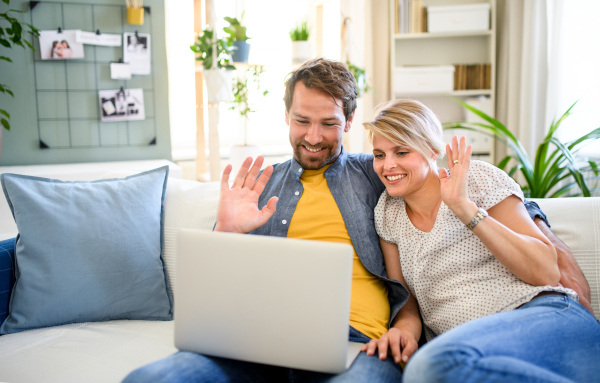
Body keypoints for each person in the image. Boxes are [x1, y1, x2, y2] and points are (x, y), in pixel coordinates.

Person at [122, 58, 592, 383]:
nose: (313, 136)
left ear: (348, 121)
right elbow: (213, 301)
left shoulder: (381, 176)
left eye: (328, 123)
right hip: (260, 341)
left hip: (362, 344)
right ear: (286, 116)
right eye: (302, 120)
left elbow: (521, 227)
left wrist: (576, 288)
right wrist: (226, 231)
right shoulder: (264, 187)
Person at [360, 99, 600, 383]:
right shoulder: (387, 213)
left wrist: (464, 207)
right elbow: (408, 303)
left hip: (540, 316)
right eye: (379, 154)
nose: (388, 165)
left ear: (432, 150)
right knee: (428, 368)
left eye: (401, 151)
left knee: (430, 366)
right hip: (465, 350)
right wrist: (402, 332)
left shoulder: (477, 179)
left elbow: (546, 271)